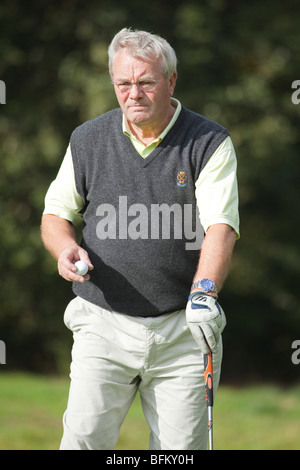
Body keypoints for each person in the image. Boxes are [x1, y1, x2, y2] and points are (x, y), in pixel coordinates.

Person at [41, 27, 239, 450]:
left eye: (146, 81)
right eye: (123, 83)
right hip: (102, 322)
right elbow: (56, 214)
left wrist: (205, 292)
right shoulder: (88, 139)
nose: (134, 93)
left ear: (170, 81)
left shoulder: (209, 141)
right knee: (83, 443)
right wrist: (64, 247)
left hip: (182, 327)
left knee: (180, 454)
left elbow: (220, 226)